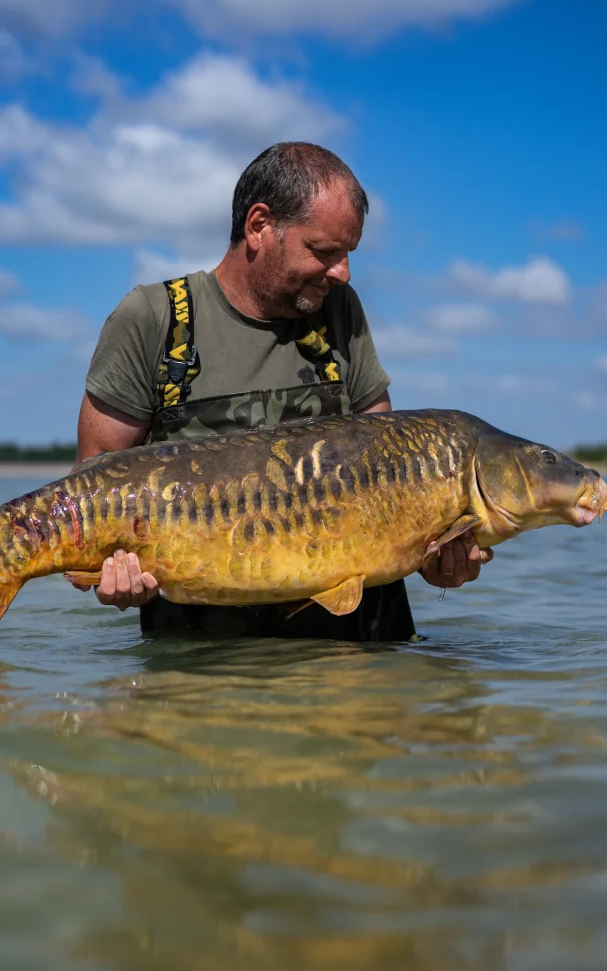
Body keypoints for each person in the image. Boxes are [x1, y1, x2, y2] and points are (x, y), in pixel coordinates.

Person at [73, 142, 492, 640]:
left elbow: (391, 472)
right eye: (324, 251)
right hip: (207, 668)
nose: (344, 273)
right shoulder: (154, 320)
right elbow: (88, 491)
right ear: (259, 226)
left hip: (348, 665)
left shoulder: (340, 311)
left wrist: (437, 559)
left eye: (349, 254)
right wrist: (110, 571)